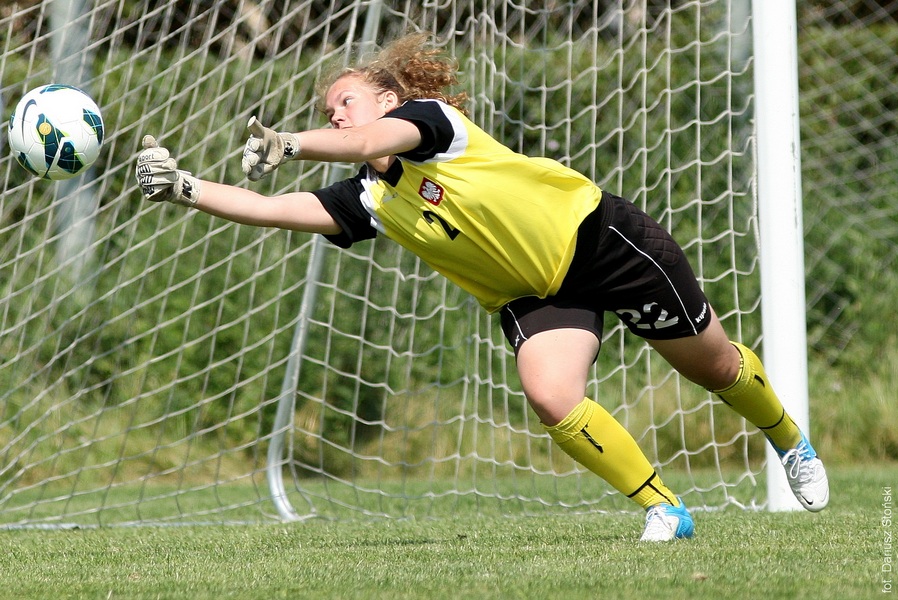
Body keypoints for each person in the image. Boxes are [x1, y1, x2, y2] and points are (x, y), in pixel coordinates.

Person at [135, 33, 829, 541]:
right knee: (550, 393)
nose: (337, 114)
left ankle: (790, 440)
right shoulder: (371, 199)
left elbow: (349, 142)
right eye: (329, 108)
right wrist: (186, 188)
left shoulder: (434, 125)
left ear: (389, 99)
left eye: (344, 101)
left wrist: (292, 142)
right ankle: (665, 509)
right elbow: (273, 210)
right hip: (535, 294)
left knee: (716, 368)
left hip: (599, 240)